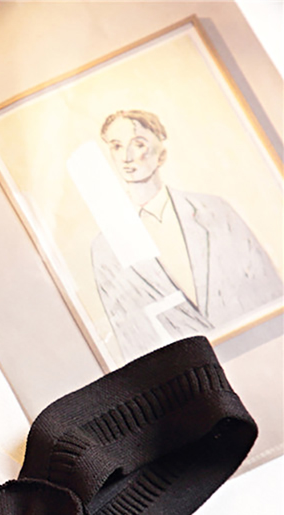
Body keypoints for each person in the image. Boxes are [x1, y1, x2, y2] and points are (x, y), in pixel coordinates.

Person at [91, 109, 282, 362]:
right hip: (192, 376)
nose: (126, 157)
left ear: (162, 150)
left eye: (138, 144)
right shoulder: (105, 249)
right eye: (116, 146)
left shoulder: (215, 211)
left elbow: (271, 293)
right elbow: (132, 344)